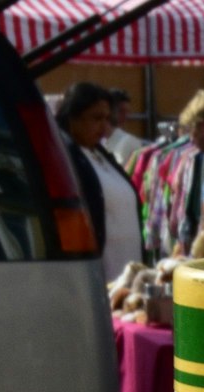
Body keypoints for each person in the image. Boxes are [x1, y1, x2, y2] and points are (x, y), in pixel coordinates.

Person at [56, 81, 142, 282]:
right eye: (96, 118)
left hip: (127, 270)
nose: (105, 126)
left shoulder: (101, 155)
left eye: (106, 118)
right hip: (99, 274)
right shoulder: (65, 159)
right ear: (72, 118)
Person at [102, 88, 145, 166]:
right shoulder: (96, 140)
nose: (125, 116)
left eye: (127, 112)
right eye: (121, 111)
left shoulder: (130, 142)